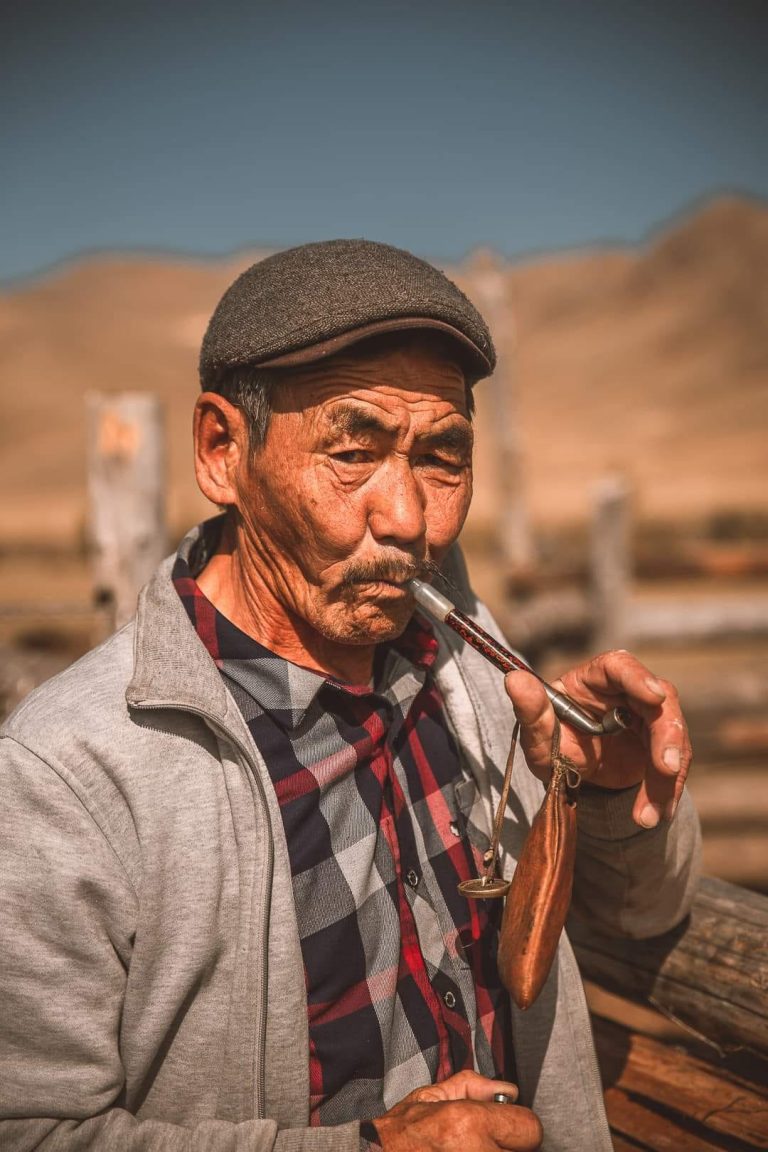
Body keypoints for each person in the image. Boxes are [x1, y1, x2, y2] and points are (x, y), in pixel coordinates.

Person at [0, 240, 700, 1152]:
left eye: (442, 457)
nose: (408, 519)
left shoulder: (470, 666)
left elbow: (646, 917)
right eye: (354, 450)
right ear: (222, 451)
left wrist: (607, 795)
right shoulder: (67, 775)